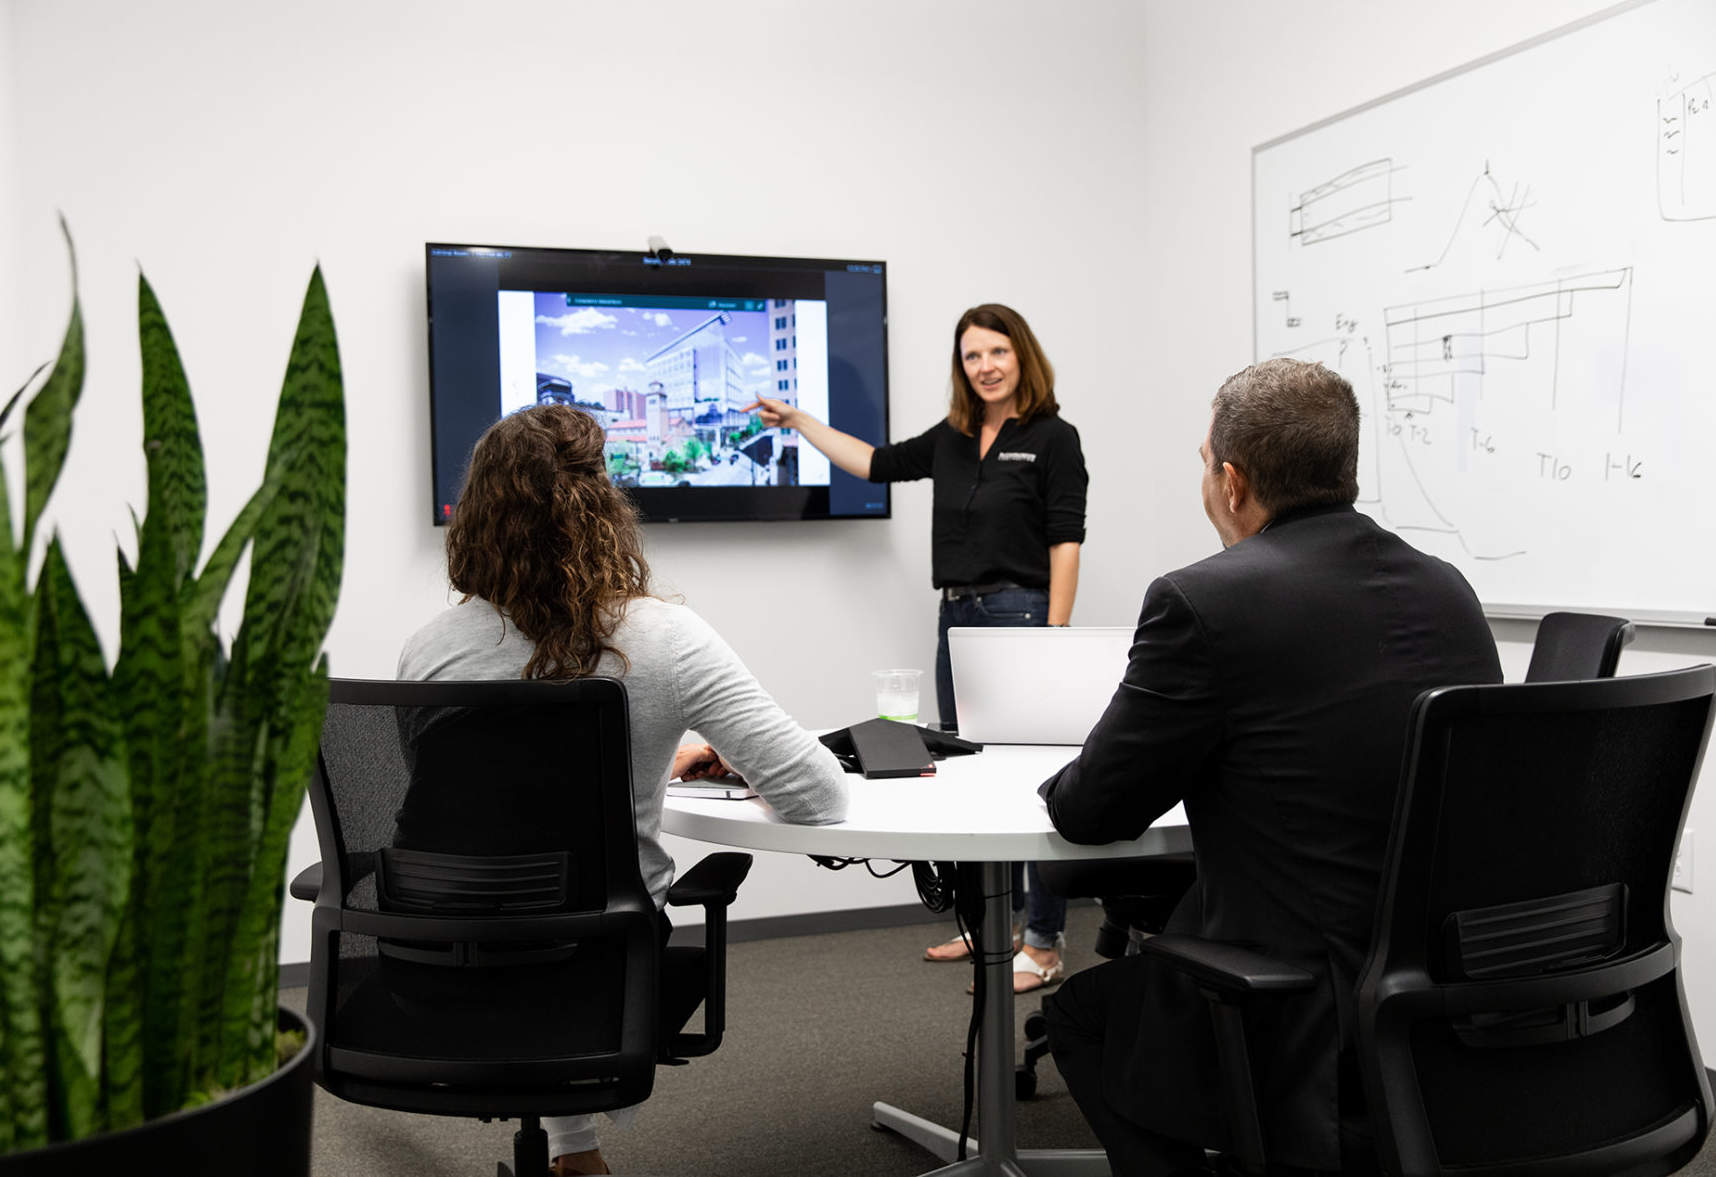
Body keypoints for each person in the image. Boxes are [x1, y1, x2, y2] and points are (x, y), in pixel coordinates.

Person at [1036, 358, 1502, 1176]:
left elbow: (1092, 812)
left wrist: (1051, 775)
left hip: (1303, 1005)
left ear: (1232, 479)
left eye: (1202, 465)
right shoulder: (1446, 588)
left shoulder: (1204, 599)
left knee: (1084, 1012)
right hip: (1447, 993)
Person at [398, 403, 849, 1177]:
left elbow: (481, 811)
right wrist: (671, 752)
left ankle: (575, 1154)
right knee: (578, 926)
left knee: (544, 916)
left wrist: (650, 762)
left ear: (476, 513)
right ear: (603, 511)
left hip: (438, 968)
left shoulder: (428, 650)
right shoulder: (663, 637)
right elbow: (817, 795)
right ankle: (575, 1151)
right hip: (601, 973)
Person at [755, 302, 1086, 992]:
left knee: (1036, 784)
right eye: (971, 356)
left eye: (996, 351)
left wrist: (1054, 637)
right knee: (966, 773)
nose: (985, 366)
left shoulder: (1054, 438)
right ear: (960, 368)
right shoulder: (952, 437)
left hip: (1023, 614)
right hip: (956, 618)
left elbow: (1065, 540)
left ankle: (1044, 941)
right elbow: (873, 463)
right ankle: (986, 928)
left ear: (1020, 355)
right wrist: (800, 422)